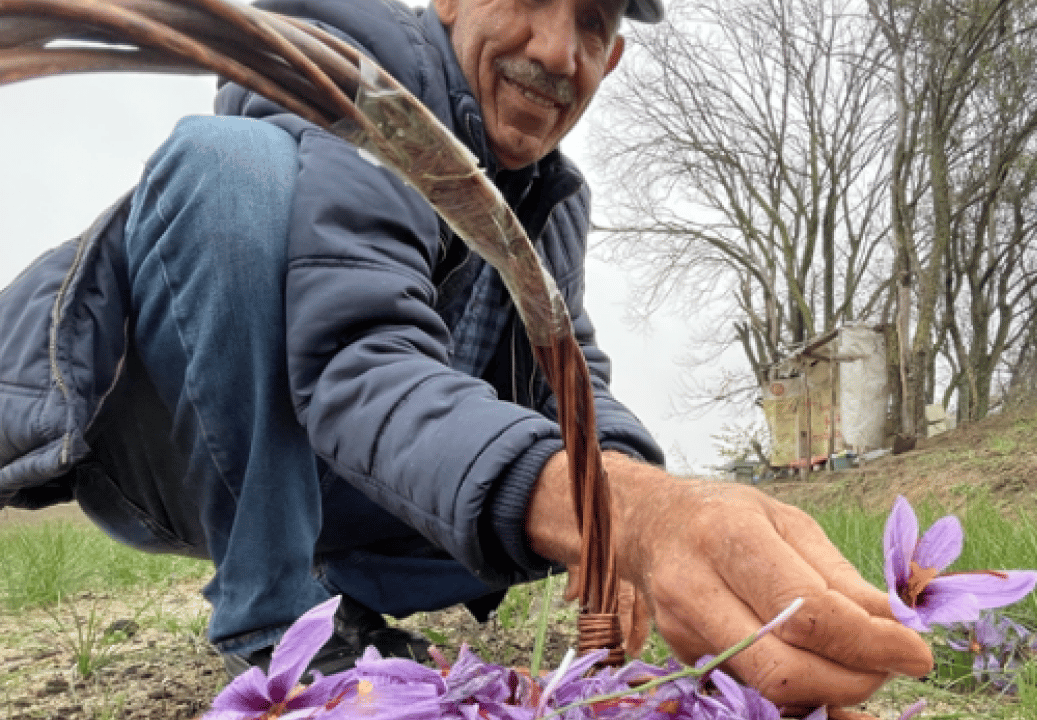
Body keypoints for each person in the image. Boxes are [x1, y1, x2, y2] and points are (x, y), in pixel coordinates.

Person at [0, 0, 932, 709]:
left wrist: (630, 502)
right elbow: (357, 357)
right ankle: (273, 617)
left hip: (327, 476)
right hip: (166, 439)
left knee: (568, 490)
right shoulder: (352, 79)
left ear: (613, 56)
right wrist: (624, 516)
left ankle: (335, 598)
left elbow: (570, 373)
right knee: (230, 165)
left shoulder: (548, 197)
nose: (557, 51)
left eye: (593, 20)